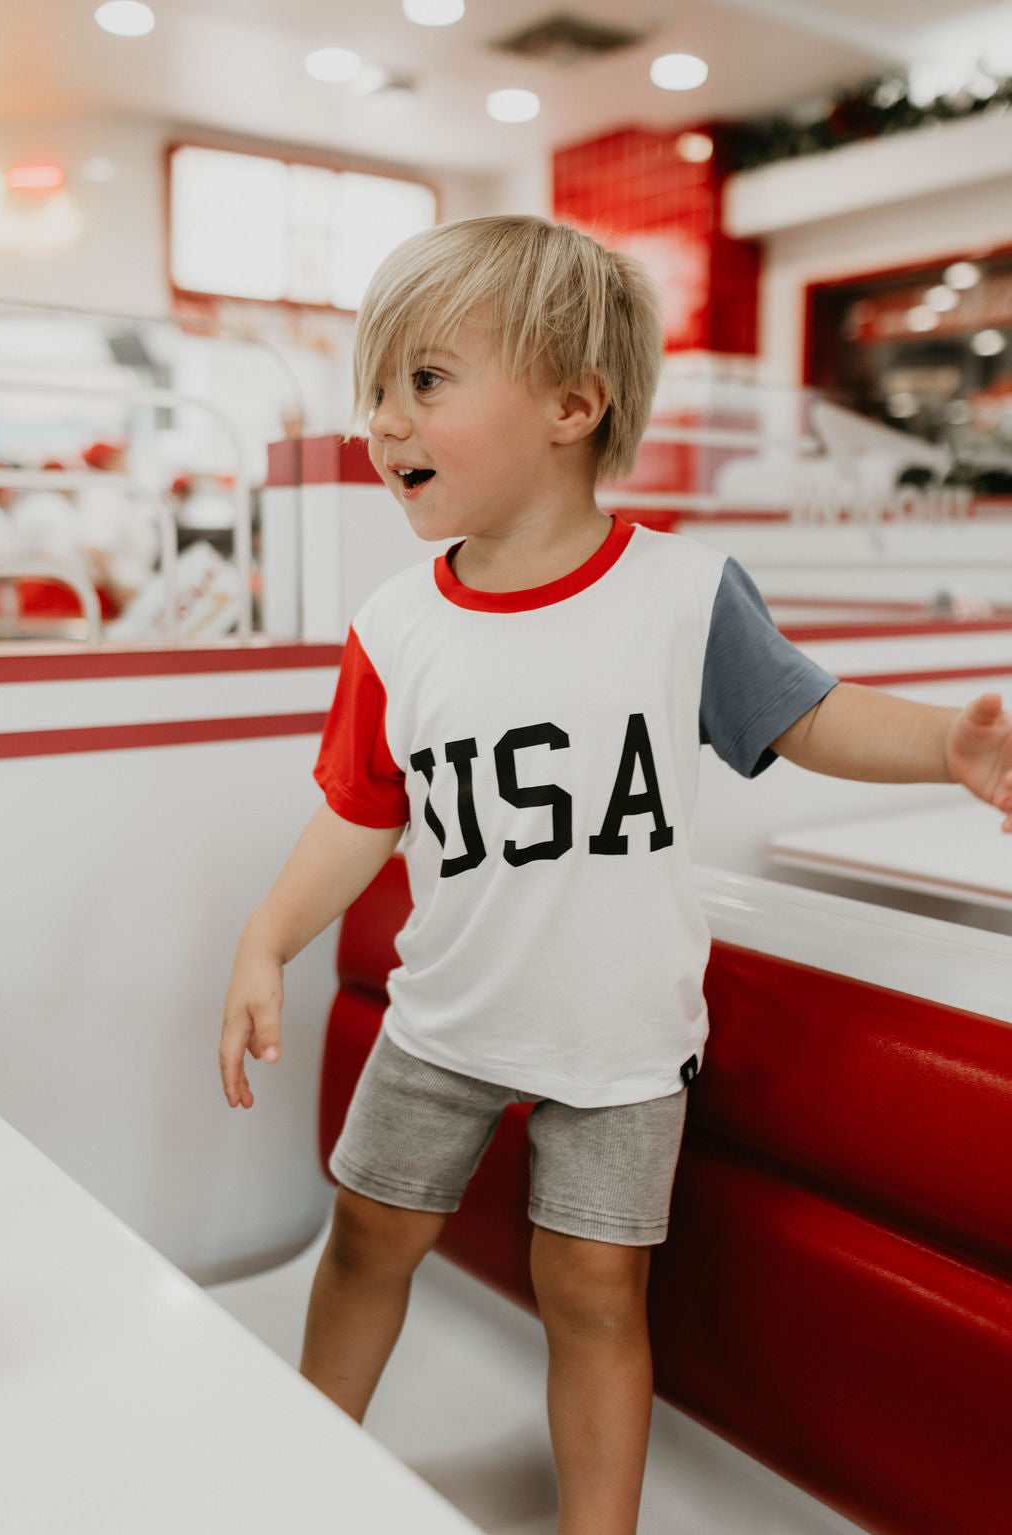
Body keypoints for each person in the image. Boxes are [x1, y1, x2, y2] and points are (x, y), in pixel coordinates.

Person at [218, 215, 1012, 1535]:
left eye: (424, 380)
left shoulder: (682, 594)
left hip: (622, 1041)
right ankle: (311, 1476)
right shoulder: (397, 624)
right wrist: (267, 938)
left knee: (593, 1292)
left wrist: (947, 745)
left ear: (572, 404)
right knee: (367, 1242)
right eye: (376, 387)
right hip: (444, 1022)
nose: (381, 420)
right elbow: (360, 812)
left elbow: (804, 716)